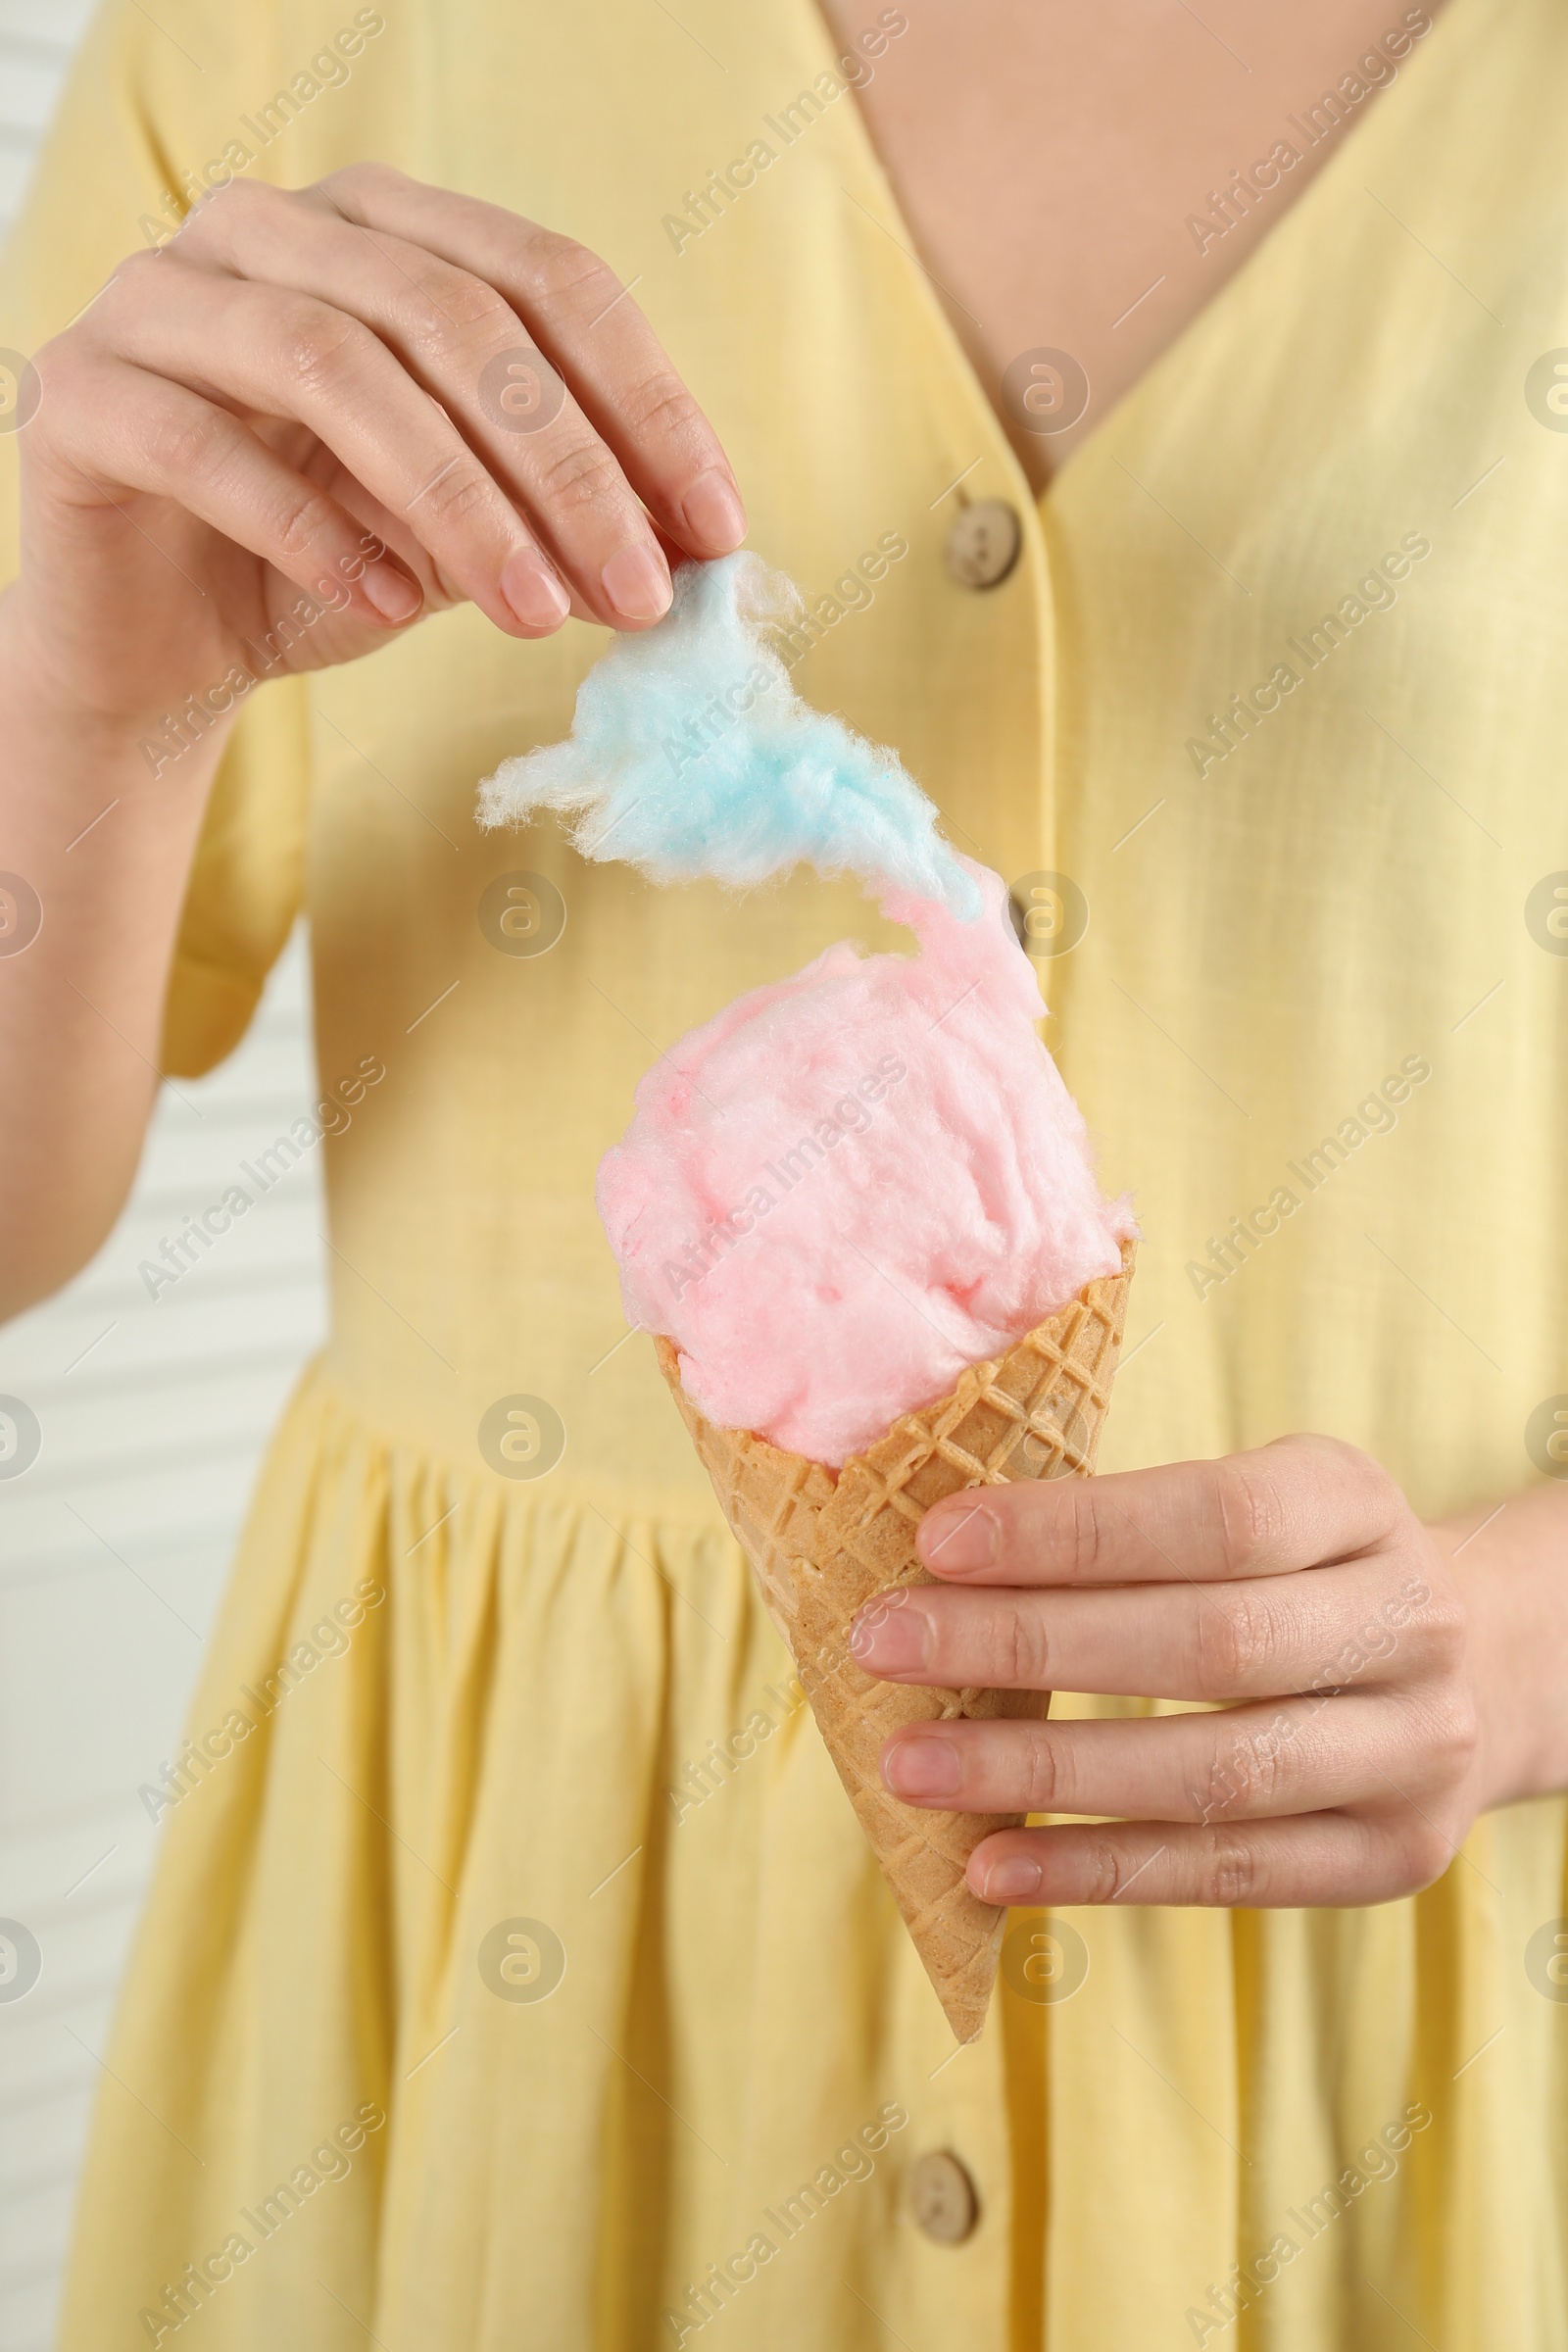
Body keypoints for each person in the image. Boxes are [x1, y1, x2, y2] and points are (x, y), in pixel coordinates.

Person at [2, 0, 1564, 2343]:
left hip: (1405, 2010)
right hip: (501, 1970)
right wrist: (83, 697)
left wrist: (1530, 1647)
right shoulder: (283, 39)